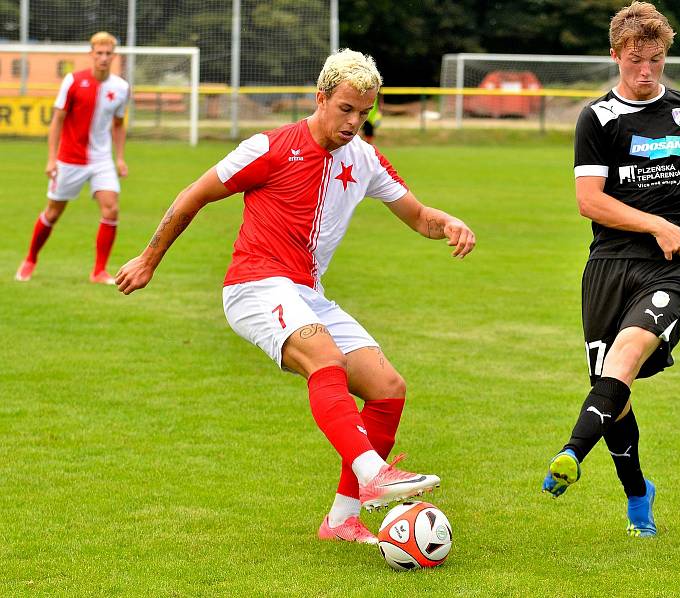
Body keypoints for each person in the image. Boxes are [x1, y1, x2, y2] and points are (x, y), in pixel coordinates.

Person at [115, 49, 476, 545]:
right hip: (253, 286)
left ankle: (342, 520)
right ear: (321, 97)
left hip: (307, 293)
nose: (354, 122)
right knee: (323, 357)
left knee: (388, 388)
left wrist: (448, 223)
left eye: (365, 112)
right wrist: (148, 259)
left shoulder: (365, 159)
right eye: (346, 109)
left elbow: (418, 216)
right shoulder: (268, 146)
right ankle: (374, 472)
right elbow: (193, 194)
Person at [541, 1, 680, 538]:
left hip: (671, 267)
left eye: (656, 61)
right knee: (611, 390)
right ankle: (638, 493)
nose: (646, 72)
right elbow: (588, 201)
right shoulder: (598, 118)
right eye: (636, 61)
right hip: (609, 266)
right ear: (615, 54)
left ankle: (570, 451)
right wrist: (653, 224)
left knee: (628, 352)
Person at [15, 31, 129, 284]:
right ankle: (30, 259)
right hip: (69, 160)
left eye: (108, 53)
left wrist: (119, 158)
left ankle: (99, 271)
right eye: (99, 53)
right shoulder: (73, 81)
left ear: (114, 56)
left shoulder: (121, 87)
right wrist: (51, 159)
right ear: (91, 54)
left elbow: (119, 125)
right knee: (53, 213)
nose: (103, 58)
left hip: (101, 160)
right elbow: (57, 121)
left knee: (111, 209)